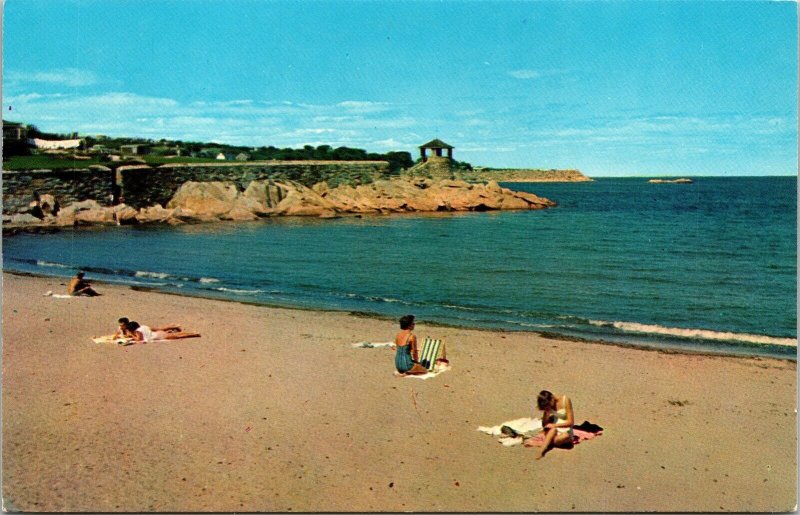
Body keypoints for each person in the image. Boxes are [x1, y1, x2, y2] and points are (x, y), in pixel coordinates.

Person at [524, 390, 575, 459]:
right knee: (553, 430)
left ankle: (543, 443)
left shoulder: (565, 400)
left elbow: (571, 422)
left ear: (552, 398)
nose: (549, 407)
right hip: (554, 429)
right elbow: (544, 424)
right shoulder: (548, 406)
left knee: (564, 437)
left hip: (565, 428)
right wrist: (547, 414)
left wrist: (554, 425)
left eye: (548, 405)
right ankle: (542, 450)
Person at [125, 320, 200, 343]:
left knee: (177, 336)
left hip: (157, 336)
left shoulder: (137, 331)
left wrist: (132, 336)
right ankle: (192, 333)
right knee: (177, 334)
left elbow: (139, 339)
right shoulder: (143, 326)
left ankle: (193, 334)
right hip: (157, 333)